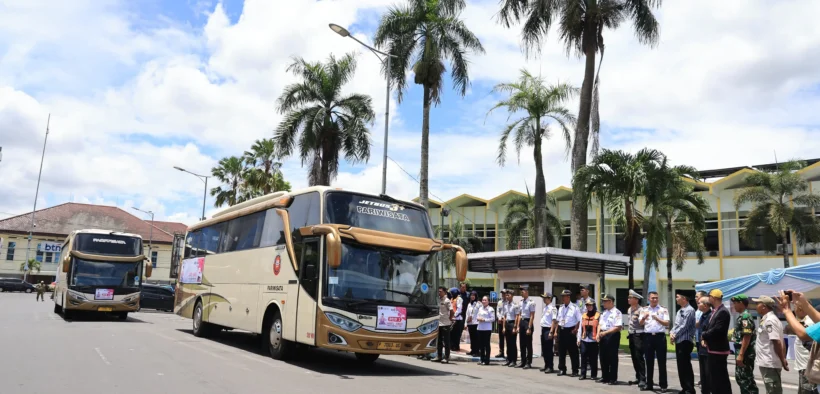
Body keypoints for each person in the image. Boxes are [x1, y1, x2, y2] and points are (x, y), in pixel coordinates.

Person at [752, 296, 788, 394]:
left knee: (773, 391)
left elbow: (777, 341)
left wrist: (782, 360)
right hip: (767, 362)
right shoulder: (766, 319)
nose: (756, 306)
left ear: (764, 306)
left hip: (770, 362)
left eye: (757, 304)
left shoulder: (770, 320)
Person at [782, 295, 817, 394]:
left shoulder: (809, 322)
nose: (795, 310)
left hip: (807, 368)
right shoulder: (805, 321)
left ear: (801, 308)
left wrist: (787, 311)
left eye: (795, 307)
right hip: (805, 366)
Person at [701, 289, 732, 394]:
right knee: (714, 378)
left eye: (709, 296)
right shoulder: (715, 311)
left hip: (719, 350)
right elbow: (707, 326)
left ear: (713, 298)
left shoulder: (722, 312)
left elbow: (717, 330)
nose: (708, 298)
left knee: (720, 379)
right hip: (713, 349)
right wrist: (704, 337)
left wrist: (704, 335)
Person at [640, 291, 670, 392]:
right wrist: (644, 317)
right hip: (648, 337)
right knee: (649, 361)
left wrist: (657, 319)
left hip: (660, 337)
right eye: (653, 298)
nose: (655, 300)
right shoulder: (644, 309)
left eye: (656, 298)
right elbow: (640, 323)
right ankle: (649, 384)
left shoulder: (663, 309)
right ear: (649, 299)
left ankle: (663, 385)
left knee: (662, 362)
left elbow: (667, 323)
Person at [731, 294, 759, 394]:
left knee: (746, 380)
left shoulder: (745, 317)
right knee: (741, 377)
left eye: (735, 303)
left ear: (741, 303)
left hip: (745, 352)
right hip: (742, 351)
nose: (734, 305)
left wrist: (741, 354)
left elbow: (747, 336)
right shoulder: (742, 316)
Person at [670, 293, 697, 394]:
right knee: (681, 366)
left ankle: (690, 389)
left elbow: (684, 325)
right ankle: (684, 388)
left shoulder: (689, 310)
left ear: (684, 298)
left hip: (685, 340)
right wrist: (672, 333)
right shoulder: (680, 310)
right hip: (679, 340)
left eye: (678, 297)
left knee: (685, 365)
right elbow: (676, 325)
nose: (676, 299)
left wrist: (675, 334)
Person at [554, 289, 581, 377]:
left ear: (568, 297)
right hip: (562, 330)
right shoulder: (561, 307)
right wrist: (556, 331)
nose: (562, 298)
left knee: (573, 352)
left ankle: (575, 370)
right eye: (562, 296)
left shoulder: (575, 307)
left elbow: (579, 320)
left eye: (564, 296)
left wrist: (576, 329)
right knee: (561, 351)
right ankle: (562, 369)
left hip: (571, 330)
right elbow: (558, 320)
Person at [598, 294, 623, 385]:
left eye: (605, 301)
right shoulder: (604, 312)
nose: (603, 303)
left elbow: (618, 327)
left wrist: (606, 333)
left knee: (612, 357)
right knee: (603, 356)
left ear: (611, 302)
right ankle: (605, 376)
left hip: (612, 335)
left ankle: (613, 378)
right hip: (603, 334)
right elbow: (600, 324)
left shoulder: (617, 312)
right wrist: (598, 334)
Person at [626, 289, 647, 388]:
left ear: (636, 300)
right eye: (629, 297)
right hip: (631, 335)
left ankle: (643, 379)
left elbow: (642, 323)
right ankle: (638, 377)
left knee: (639, 357)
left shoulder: (641, 310)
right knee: (634, 357)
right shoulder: (629, 309)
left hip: (639, 335)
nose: (628, 299)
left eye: (630, 298)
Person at [577, 299, 600, 381]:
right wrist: (578, 339)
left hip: (593, 341)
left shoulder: (598, 315)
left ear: (594, 306)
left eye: (590, 305)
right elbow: (580, 328)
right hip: (584, 339)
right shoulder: (583, 315)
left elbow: (600, 327)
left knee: (593, 358)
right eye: (587, 305)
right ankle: (583, 374)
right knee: (583, 357)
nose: (589, 307)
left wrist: (598, 337)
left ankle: (593, 375)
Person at [516, 287, 536, 369]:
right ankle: (523, 361)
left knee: (528, 344)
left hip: (528, 322)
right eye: (521, 291)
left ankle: (528, 362)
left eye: (523, 291)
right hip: (522, 322)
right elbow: (519, 315)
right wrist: (518, 326)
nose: (521, 293)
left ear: (527, 292)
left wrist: (529, 327)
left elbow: (532, 316)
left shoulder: (531, 302)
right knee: (522, 343)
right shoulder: (521, 302)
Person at [696, 298, 713, 394]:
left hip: (708, 348)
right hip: (701, 348)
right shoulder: (703, 315)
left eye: (699, 303)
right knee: (703, 372)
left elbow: (709, 331)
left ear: (705, 305)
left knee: (708, 372)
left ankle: (709, 390)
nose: (697, 304)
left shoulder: (711, 316)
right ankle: (705, 390)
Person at [501, 290, 521, 367]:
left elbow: (517, 316)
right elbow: (504, 316)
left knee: (513, 343)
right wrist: (503, 327)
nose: (507, 296)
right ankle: (508, 359)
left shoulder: (515, 305)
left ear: (512, 296)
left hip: (512, 324)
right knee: (508, 343)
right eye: (506, 295)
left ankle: (513, 360)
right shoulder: (505, 305)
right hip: (507, 323)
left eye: (508, 295)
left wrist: (515, 327)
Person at [434, 286, 454, 363]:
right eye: (438, 291)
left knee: (446, 341)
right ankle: (439, 356)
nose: (439, 293)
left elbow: (452, 311)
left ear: (445, 292)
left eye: (440, 291)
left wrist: (450, 318)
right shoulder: (438, 300)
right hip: (439, 323)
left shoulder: (447, 300)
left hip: (445, 323)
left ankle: (446, 357)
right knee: (439, 341)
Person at [540, 292, 557, 373]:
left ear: (550, 298)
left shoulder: (553, 308)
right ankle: (546, 365)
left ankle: (550, 366)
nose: (544, 299)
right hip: (543, 329)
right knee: (544, 349)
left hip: (548, 329)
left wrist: (551, 332)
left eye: (545, 298)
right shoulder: (545, 308)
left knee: (549, 349)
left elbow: (554, 320)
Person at [476, 295, 495, 366]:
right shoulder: (480, 308)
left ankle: (487, 360)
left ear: (488, 301)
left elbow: (493, 319)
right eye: (483, 300)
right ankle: (482, 359)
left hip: (487, 329)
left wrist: (484, 320)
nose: (483, 301)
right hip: (480, 328)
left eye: (485, 300)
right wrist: (478, 318)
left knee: (486, 344)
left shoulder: (490, 309)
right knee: (481, 345)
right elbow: (477, 316)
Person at [694, 290, 708, 389]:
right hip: (698, 339)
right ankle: (703, 380)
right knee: (701, 362)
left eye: (697, 296)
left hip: (704, 339)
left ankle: (706, 381)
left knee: (706, 362)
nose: (696, 298)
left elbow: (698, 325)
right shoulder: (698, 310)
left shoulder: (705, 311)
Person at [465, 291, 479, 356]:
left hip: (476, 323)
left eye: (474, 295)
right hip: (470, 323)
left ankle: (477, 351)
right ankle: (472, 350)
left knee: (476, 338)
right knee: (472, 338)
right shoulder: (469, 304)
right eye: (471, 295)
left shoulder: (478, 304)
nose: (472, 296)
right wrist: (465, 323)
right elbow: (467, 314)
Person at [496, 289, 509, 358]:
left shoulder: (509, 302)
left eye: (504, 293)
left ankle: (508, 353)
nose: (503, 295)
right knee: (501, 338)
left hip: (507, 322)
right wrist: (499, 318)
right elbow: (498, 311)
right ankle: (501, 352)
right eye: (502, 293)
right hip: (500, 321)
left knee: (507, 338)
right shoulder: (499, 302)